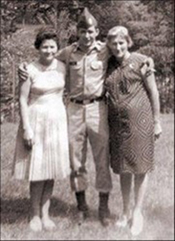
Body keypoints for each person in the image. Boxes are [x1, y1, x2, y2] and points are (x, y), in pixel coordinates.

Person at [17, 8, 112, 227]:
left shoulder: (105, 51)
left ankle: (104, 208)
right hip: (74, 110)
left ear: (96, 32)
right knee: (76, 161)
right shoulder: (67, 52)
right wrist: (24, 66)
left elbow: (125, 53)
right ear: (77, 32)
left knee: (101, 160)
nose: (86, 36)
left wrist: (146, 62)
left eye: (90, 31)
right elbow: (44, 58)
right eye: (82, 31)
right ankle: (81, 207)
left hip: (98, 109)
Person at [105, 26, 162, 235]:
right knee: (123, 168)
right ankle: (125, 211)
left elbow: (154, 92)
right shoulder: (108, 64)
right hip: (117, 124)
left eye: (121, 42)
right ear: (109, 45)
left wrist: (156, 121)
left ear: (128, 42)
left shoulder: (142, 62)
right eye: (113, 43)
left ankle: (137, 212)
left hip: (141, 122)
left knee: (140, 167)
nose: (117, 47)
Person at [12, 27, 70, 232]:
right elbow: (21, 98)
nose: (48, 50)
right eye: (44, 47)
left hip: (57, 119)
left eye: (52, 46)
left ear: (57, 48)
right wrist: (27, 127)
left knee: (51, 168)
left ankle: (46, 215)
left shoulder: (63, 66)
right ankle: (34, 215)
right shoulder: (29, 69)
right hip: (36, 118)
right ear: (38, 47)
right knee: (37, 169)